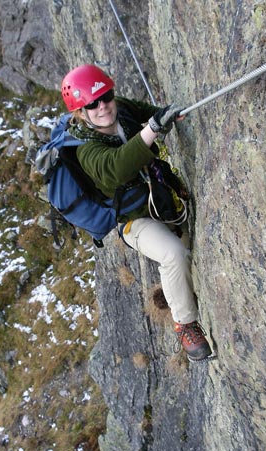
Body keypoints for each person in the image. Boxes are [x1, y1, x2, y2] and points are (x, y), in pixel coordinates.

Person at [60, 64, 212, 361]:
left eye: (106, 96)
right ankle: (185, 324)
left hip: (159, 197)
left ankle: (174, 292)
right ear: (81, 111)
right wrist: (152, 130)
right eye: (92, 103)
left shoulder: (120, 110)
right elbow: (116, 166)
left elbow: (145, 111)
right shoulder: (86, 150)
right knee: (174, 254)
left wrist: (165, 114)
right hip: (134, 221)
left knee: (191, 251)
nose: (103, 106)